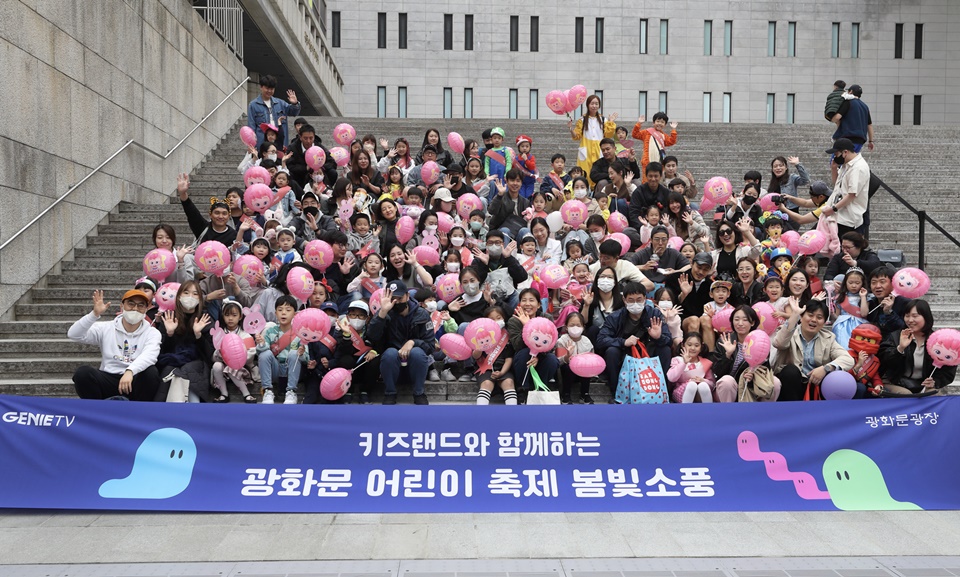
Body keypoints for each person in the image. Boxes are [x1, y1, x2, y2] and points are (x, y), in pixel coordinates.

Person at [69, 289, 162, 401]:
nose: (135, 308)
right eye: (131, 303)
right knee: (83, 373)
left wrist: (130, 371)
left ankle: (139, 413)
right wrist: (94, 314)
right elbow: (74, 334)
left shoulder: (152, 332)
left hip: (134, 380)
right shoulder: (106, 328)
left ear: (146, 309)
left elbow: (150, 355)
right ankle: (97, 411)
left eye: (141, 305)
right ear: (122, 306)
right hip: (109, 378)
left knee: (150, 372)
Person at [596, 281, 672, 400]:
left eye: (639, 299)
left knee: (665, 349)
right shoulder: (615, 317)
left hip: (648, 354)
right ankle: (616, 393)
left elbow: (669, 340)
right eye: (631, 300)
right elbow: (601, 340)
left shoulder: (654, 314)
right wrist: (623, 342)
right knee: (611, 351)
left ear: (645, 299)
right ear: (624, 300)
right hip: (625, 354)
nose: (635, 303)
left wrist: (658, 337)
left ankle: (663, 392)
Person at [771, 297, 854, 401]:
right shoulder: (788, 332)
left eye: (819, 317)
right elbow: (779, 343)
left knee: (855, 387)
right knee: (790, 371)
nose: (814, 320)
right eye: (810, 315)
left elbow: (848, 359)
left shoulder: (829, 338)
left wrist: (826, 368)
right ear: (801, 317)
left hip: (816, 385)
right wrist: (794, 315)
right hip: (790, 385)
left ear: (824, 323)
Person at [368, 280, 436, 405]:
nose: (396, 302)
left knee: (417, 352)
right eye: (392, 298)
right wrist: (382, 313)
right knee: (390, 353)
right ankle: (390, 393)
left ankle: (419, 393)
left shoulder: (421, 314)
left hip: (416, 367)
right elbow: (372, 337)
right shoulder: (384, 313)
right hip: (391, 367)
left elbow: (430, 346)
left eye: (400, 298)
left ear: (408, 296)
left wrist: (413, 342)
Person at [878, 299, 956, 394]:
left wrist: (935, 382)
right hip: (895, 382)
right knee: (906, 395)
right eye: (907, 316)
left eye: (915, 316)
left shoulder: (938, 341)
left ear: (926, 317)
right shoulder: (895, 336)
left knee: (934, 395)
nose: (910, 320)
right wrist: (900, 348)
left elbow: (948, 370)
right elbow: (884, 361)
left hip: (922, 384)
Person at [711, 305, 780, 402]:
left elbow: (765, 370)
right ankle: (728, 413)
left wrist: (753, 376)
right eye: (736, 319)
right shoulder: (725, 340)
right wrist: (728, 355)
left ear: (752, 323)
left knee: (775, 382)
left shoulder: (760, 341)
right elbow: (717, 372)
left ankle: (765, 413)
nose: (740, 323)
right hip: (729, 389)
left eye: (745, 320)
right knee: (727, 381)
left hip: (752, 388)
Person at [256, 294, 309, 405]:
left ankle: (291, 392)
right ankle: (267, 391)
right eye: (280, 310)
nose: (283, 313)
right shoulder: (270, 331)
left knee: (294, 353)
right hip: (276, 369)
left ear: (295, 314)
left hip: (293, 369)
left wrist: (302, 353)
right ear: (275, 313)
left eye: (288, 310)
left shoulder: (300, 333)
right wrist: (261, 344)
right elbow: (261, 353)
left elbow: (306, 358)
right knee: (264, 354)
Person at [824, 138, 871, 237]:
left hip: (848, 219)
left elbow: (851, 195)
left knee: (844, 249)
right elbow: (837, 185)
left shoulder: (858, 167)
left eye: (836, 154)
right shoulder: (846, 165)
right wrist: (833, 169)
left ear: (845, 152)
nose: (835, 157)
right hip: (840, 216)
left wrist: (833, 209)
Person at [569, 95, 618, 187]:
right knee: (585, 170)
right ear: (588, 105)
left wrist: (611, 122)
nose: (594, 106)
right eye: (592, 103)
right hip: (586, 150)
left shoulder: (604, 120)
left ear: (599, 106)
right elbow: (577, 136)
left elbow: (609, 135)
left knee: (597, 170)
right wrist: (571, 129)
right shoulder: (582, 120)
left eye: (596, 104)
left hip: (599, 149)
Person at [247, 74, 300, 146]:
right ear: (261, 87)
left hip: (280, 144)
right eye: (267, 88)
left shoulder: (280, 103)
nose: (269, 91)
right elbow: (251, 127)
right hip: (262, 145)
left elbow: (294, 112)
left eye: (272, 89)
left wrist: (295, 103)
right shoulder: (253, 105)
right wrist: (252, 145)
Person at [557, 312, 595, 404]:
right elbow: (558, 361)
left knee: (587, 367)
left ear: (583, 327)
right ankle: (566, 394)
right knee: (568, 367)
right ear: (566, 327)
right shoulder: (562, 340)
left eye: (578, 325)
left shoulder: (586, 341)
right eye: (572, 325)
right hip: (567, 372)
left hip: (582, 372)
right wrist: (567, 356)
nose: (575, 328)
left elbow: (592, 359)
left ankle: (585, 394)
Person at [668, 332, 715, 403]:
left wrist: (703, 380)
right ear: (683, 345)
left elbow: (712, 384)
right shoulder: (677, 360)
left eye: (696, 345)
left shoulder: (705, 362)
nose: (693, 348)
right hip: (681, 392)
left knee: (703, 385)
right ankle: (686, 411)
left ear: (701, 347)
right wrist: (684, 363)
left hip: (699, 393)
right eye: (689, 345)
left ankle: (708, 411)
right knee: (692, 385)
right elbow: (671, 378)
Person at [865, 265, 909, 339]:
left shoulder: (904, 303)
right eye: (874, 282)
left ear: (893, 284)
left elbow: (904, 328)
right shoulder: (870, 304)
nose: (877, 286)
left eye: (882, 282)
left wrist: (889, 312)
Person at [287, 124, 337, 188]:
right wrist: (305, 168)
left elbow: (332, 162)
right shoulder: (293, 148)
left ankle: (326, 190)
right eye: (305, 138)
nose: (308, 141)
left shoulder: (319, 147)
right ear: (300, 137)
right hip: (301, 176)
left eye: (311, 138)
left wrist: (321, 167)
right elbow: (290, 166)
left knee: (332, 172)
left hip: (319, 175)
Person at [831, 267, 870, 349]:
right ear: (845, 283)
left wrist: (863, 297)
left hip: (860, 325)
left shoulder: (867, 297)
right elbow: (837, 317)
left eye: (857, 283)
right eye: (850, 282)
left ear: (862, 283)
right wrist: (831, 312)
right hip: (842, 326)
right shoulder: (840, 297)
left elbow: (864, 313)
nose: (854, 285)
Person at [488, 169, 531, 241]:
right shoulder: (501, 198)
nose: (515, 183)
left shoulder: (525, 202)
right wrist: (499, 195)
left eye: (518, 181)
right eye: (512, 180)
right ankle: (504, 252)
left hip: (517, 234)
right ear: (507, 181)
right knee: (505, 230)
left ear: (521, 183)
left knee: (525, 231)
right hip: (501, 232)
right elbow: (491, 211)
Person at [631, 112, 678, 177]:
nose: (659, 123)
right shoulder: (647, 132)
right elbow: (635, 134)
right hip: (647, 162)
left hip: (659, 162)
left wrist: (673, 130)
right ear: (654, 122)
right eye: (658, 121)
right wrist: (639, 123)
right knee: (646, 179)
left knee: (658, 180)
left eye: (662, 122)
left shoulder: (663, 135)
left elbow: (671, 141)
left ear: (665, 124)